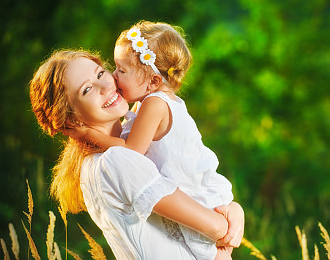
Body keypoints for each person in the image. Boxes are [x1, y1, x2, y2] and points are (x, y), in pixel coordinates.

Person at [29, 49, 244, 260]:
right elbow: (217, 229)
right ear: (72, 120)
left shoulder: (116, 149)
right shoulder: (115, 160)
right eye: (87, 90)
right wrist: (231, 213)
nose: (105, 86)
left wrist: (232, 209)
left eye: (101, 73)